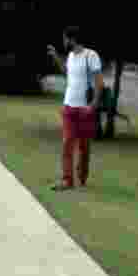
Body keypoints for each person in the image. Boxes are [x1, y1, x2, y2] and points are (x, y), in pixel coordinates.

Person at [47, 26, 103, 190]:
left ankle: (82, 175)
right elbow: (67, 73)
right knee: (67, 144)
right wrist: (56, 57)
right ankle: (67, 180)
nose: (64, 42)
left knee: (84, 147)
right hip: (69, 108)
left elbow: (99, 83)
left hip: (84, 109)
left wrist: (92, 106)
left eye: (65, 39)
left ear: (72, 39)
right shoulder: (70, 56)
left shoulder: (90, 56)